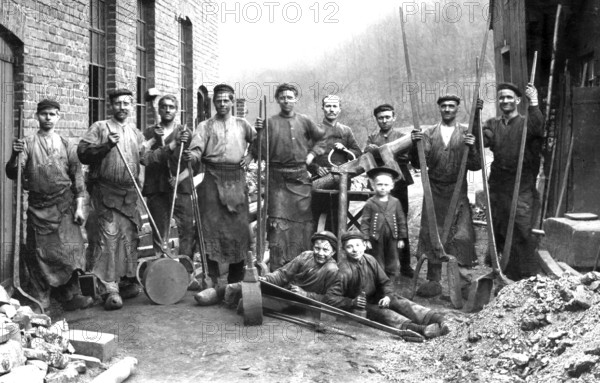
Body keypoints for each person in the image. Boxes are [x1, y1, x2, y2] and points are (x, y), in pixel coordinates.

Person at [5, 100, 92, 311]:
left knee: (73, 252)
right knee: (38, 254)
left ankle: (69, 295)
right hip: (38, 209)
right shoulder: (26, 144)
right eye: (44, 114)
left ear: (58, 117)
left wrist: (80, 206)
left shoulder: (66, 145)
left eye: (53, 114)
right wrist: (14, 156)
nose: (48, 118)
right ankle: (40, 299)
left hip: (64, 206)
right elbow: (11, 173)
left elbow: (78, 178)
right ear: (37, 116)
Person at [78, 88, 154, 310]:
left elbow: (145, 159)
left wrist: (159, 143)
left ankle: (126, 280)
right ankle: (108, 287)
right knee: (108, 238)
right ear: (110, 105)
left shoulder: (134, 132)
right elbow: (83, 153)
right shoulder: (100, 127)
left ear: (132, 106)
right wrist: (106, 145)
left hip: (129, 194)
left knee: (129, 238)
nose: (122, 107)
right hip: (105, 192)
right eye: (118, 103)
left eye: (126, 103)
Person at [410, 94, 481, 297]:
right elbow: (418, 163)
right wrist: (416, 148)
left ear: (458, 109)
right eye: (444, 106)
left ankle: (464, 283)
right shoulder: (429, 133)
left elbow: (476, 165)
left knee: (462, 234)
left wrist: (473, 146)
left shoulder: (465, 133)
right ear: (439, 109)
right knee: (432, 232)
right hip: (434, 191)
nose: (448, 109)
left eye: (451, 106)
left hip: (457, 191)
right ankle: (434, 281)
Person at [187, 84, 256, 286]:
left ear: (233, 102)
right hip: (212, 178)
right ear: (213, 102)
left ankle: (236, 276)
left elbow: (260, 141)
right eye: (218, 101)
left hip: (236, 178)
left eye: (226, 100)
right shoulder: (205, 126)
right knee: (209, 227)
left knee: (240, 228)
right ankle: (212, 276)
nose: (222, 104)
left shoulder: (243, 124)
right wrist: (190, 156)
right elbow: (196, 151)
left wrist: (251, 155)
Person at [325, 230, 450, 339]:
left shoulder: (370, 260)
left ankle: (439, 320)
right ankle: (421, 329)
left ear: (364, 245)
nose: (355, 250)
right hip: (359, 306)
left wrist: (387, 296)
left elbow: (385, 282)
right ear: (344, 250)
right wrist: (351, 302)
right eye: (349, 247)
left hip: (375, 297)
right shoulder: (343, 270)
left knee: (400, 301)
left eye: (358, 245)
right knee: (384, 314)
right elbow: (330, 298)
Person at [254, 83, 326, 271]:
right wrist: (259, 132)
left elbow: (322, 138)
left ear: (296, 99)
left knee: (303, 225)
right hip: (276, 180)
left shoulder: (305, 121)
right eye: (282, 97)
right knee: (278, 225)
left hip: (301, 179)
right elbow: (259, 151)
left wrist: (312, 155)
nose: (286, 100)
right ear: (277, 100)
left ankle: (302, 268)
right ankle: (277, 269)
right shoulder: (270, 122)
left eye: (290, 97)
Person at [479, 83, 544, 280]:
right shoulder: (493, 124)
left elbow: (538, 127)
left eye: (509, 97)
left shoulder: (526, 122)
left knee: (521, 224)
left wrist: (534, 101)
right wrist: (476, 116)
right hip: (499, 182)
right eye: (501, 98)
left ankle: (522, 275)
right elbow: (483, 139)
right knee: (498, 223)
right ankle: (501, 269)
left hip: (522, 181)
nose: (505, 101)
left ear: (517, 100)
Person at [141, 95, 195, 259]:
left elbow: (196, 164)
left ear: (176, 110)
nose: (167, 110)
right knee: (159, 230)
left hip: (181, 188)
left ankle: (186, 269)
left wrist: (178, 178)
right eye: (164, 106)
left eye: (171, 107)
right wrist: (154, 140)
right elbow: (143, 158)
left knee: (186, 229)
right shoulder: (149, 132)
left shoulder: (185, 133)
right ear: (159, 109)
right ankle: (162, 267)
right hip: (157, 187)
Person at [364, 104, 414, 277]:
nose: (384, 120)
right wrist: (373, 151)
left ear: (394, 117)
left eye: (387, 117)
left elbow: (408, 155)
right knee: (377, 222)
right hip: (378, 182)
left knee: (400, 221)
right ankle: (377, 264)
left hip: (399, 181)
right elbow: (367, 156)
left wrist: (385, 152)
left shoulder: (402, 136)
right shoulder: (372, 137)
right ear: (376, 119)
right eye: (380, 118)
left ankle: (405, 265)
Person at [224, 231, 339, 306]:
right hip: (287, 291)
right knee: (255, 285)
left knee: (250, 302)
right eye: (317, 248)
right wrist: (267, 279)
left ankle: (233, 294)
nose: (320, 253)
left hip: (302, 303)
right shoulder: (306, 256)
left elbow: (330, 299)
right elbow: (283, 274)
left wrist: (305, 294)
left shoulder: (332, 270)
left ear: (333, 252)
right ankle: (224, 290)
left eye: (325, 250)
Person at [310, 95, 362, 232]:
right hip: (321, 180)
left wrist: (345, 150)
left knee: (339, 217)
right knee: (318, 217)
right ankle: (319, 249)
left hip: (342, 180)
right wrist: (315, 168)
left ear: (339, 109)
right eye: (328, 106)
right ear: (323, 108)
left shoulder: (346, 130)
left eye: (334, 106)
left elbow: (357, 152)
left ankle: (339, 248)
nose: (331, 109)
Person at [360, 166, 408, 280]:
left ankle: (390, 283)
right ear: (373, 185)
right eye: (379, 184)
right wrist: (366, 239)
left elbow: (401, 221)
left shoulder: (395, 202)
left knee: (393, 258)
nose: (382, 188)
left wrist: (401, 238)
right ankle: (378, 282)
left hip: (392, 236)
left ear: (392, 186)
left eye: (386, 185)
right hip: (376, 237)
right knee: (377, 259)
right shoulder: (370, 203)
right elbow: (365, 222)